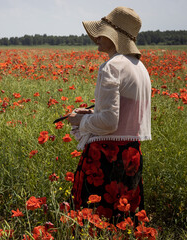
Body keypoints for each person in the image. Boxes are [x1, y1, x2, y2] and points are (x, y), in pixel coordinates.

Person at [67, 7, 151, 222]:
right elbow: (124, 117)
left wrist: (80, 120)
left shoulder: (112, 67)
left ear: (115, 37)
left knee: (95, 222)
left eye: (102, 33)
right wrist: (94, 112)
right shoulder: (139, 67)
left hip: (105, 157)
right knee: (124, 220)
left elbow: (109, 122)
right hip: (131, 154)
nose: (97, 38)